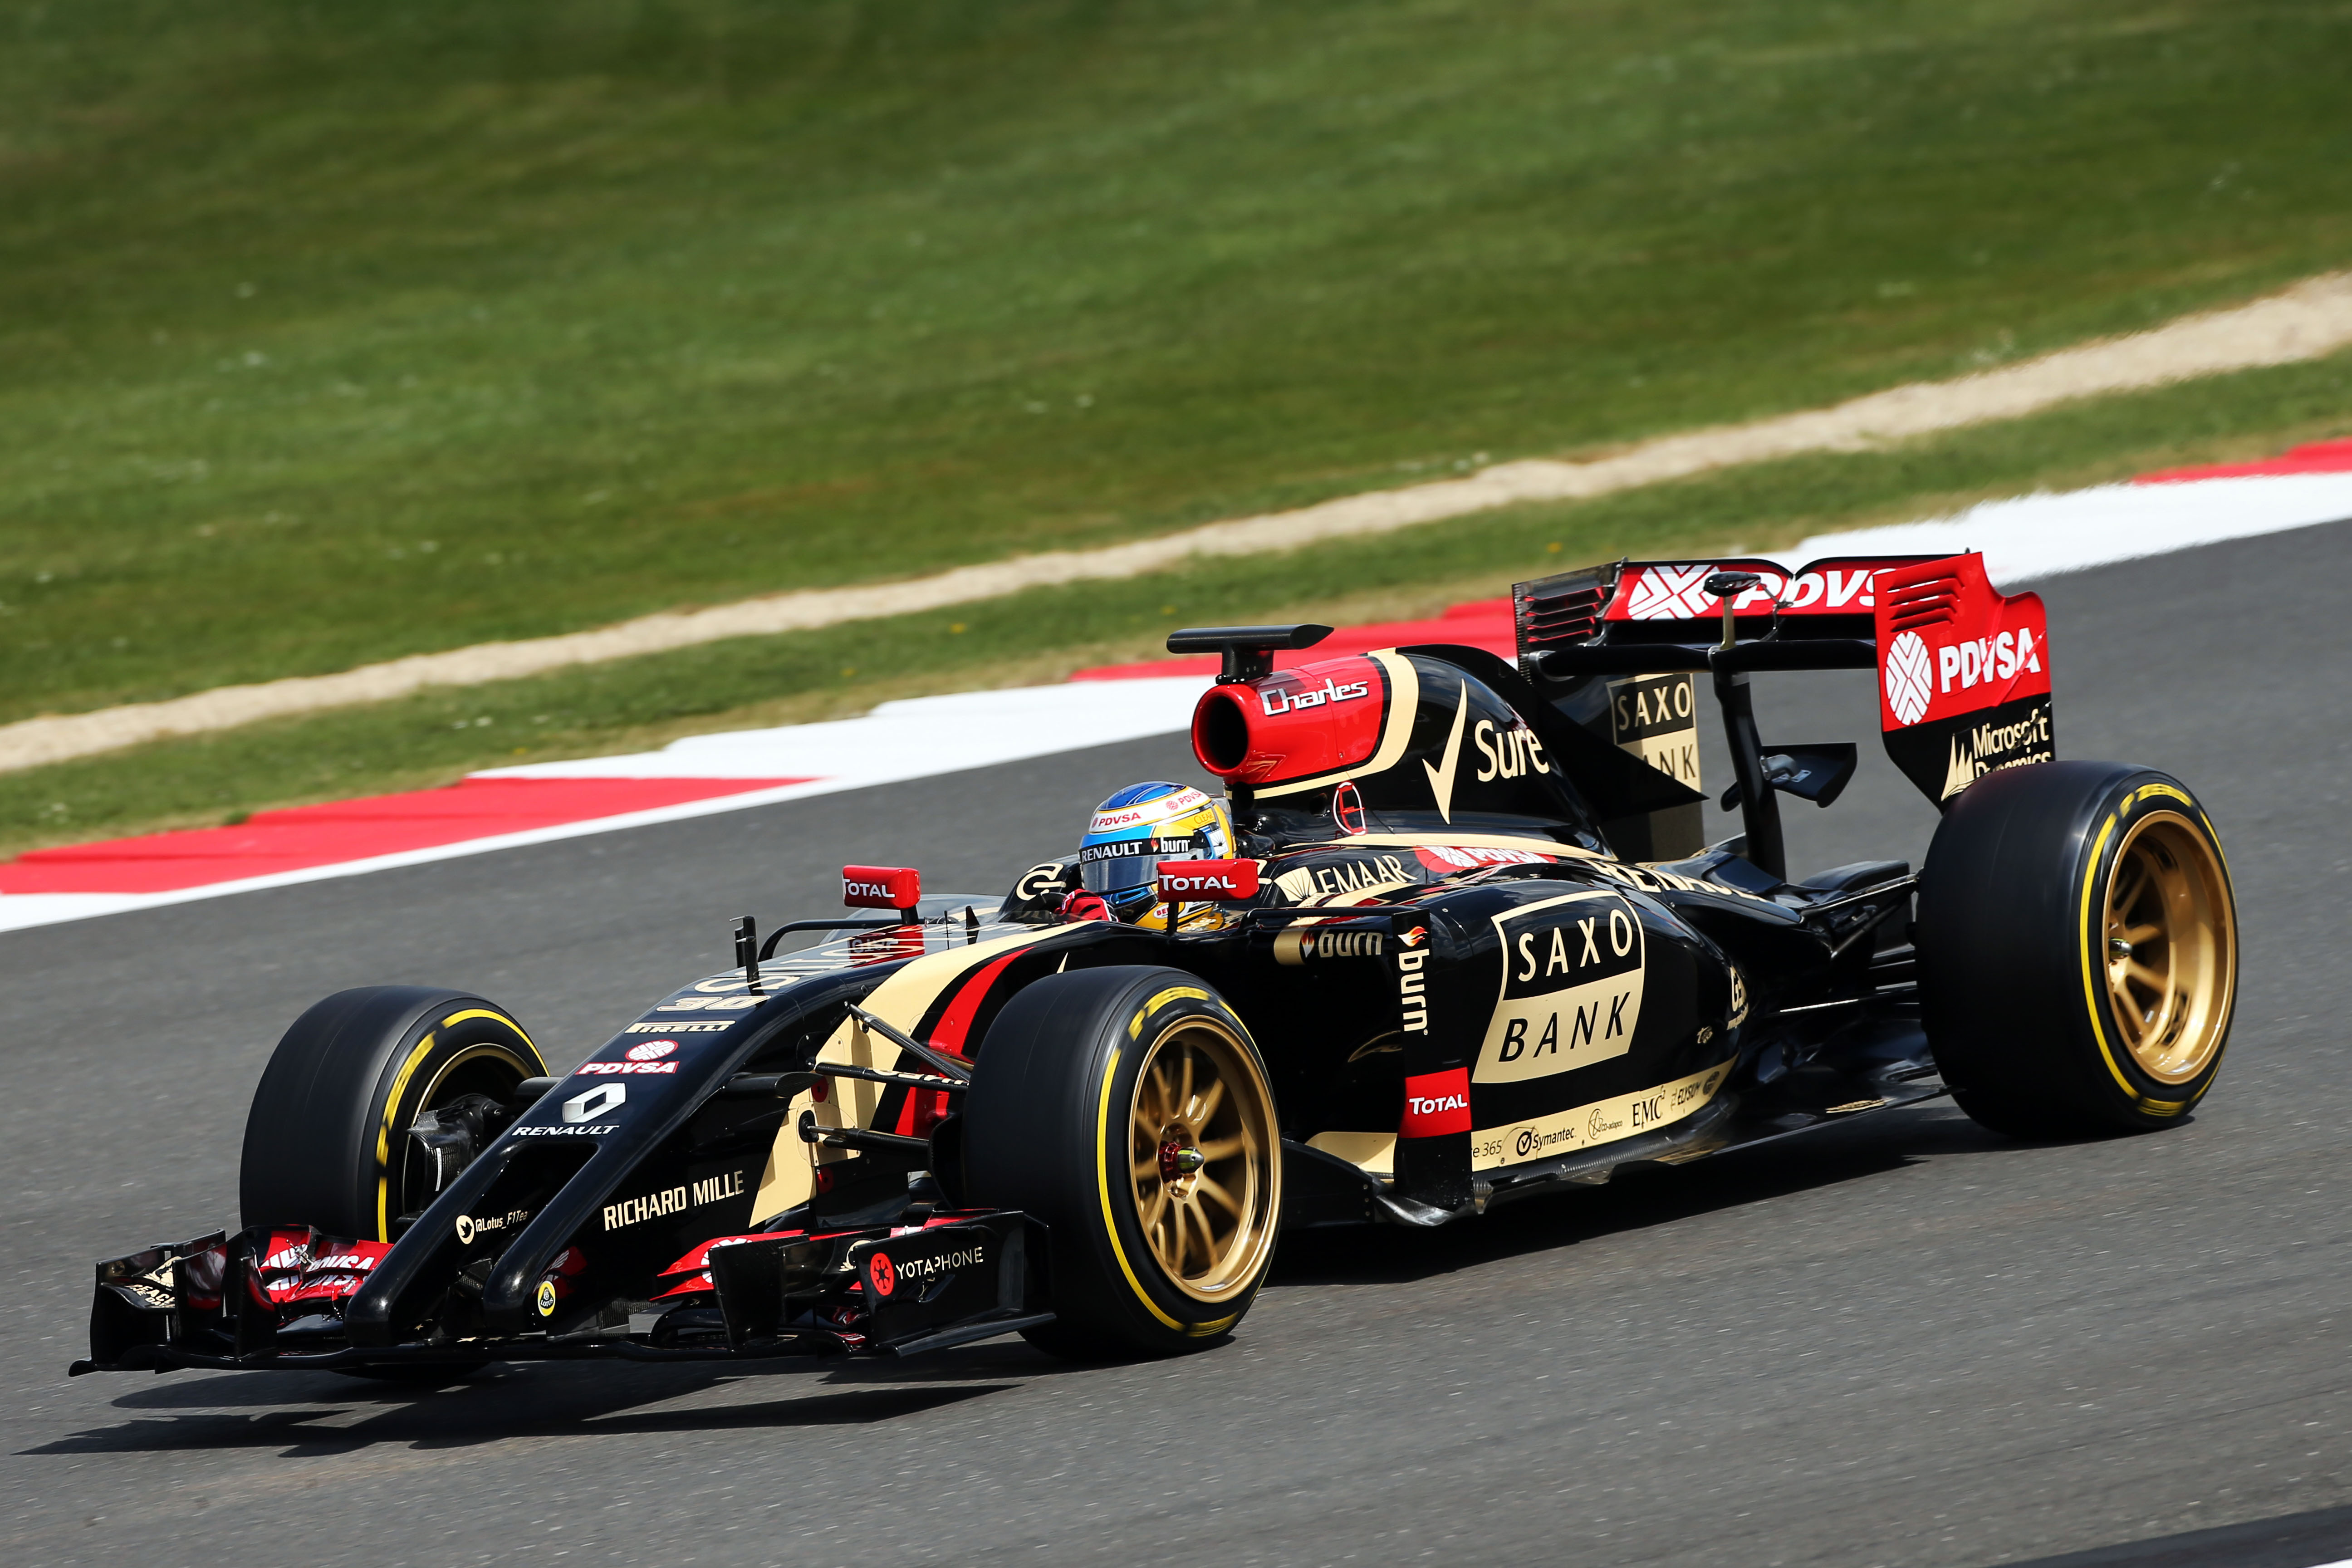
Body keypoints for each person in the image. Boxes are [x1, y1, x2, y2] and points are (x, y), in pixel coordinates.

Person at [1064, 781, 1237, 929]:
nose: (1112, 896)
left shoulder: (1250, 924)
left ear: (1201, 855)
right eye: (1113, 871)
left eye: (1137, 869)